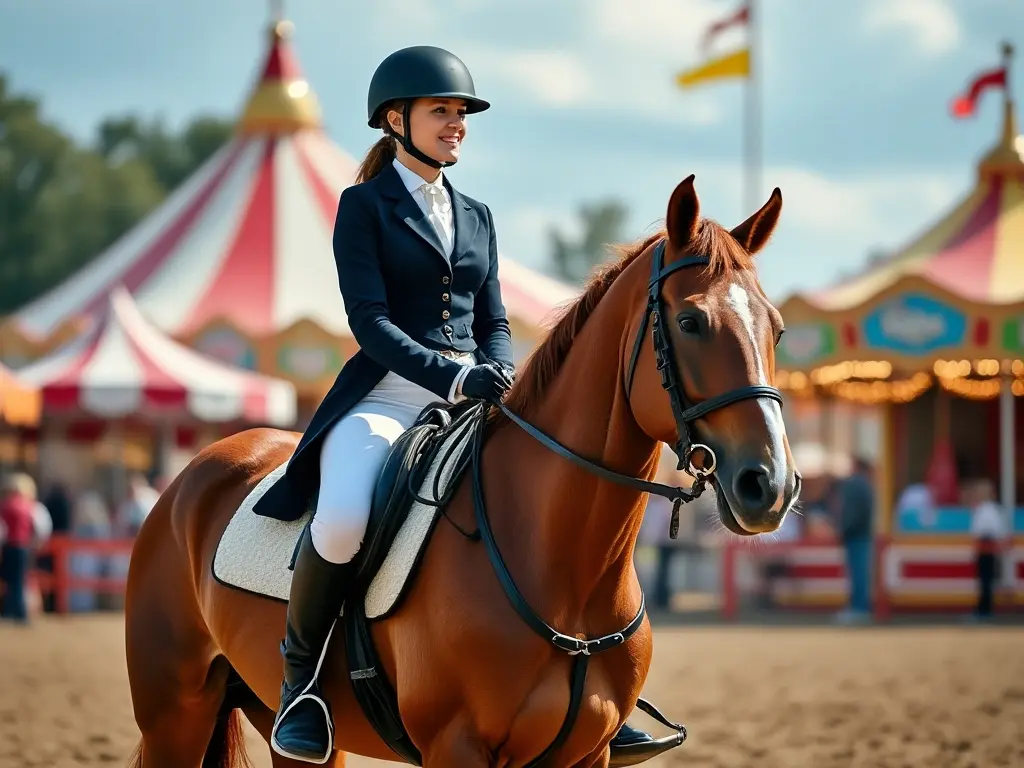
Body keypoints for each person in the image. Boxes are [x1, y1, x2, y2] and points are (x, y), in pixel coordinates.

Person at [267, 45, 657, 764]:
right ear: (395, 119)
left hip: (479, 396)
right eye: (442, 111)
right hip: (388, 397)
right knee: (347, 512)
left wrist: (501, 372)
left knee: (554, 498)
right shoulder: (364, 207)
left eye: (461, 114)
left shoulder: (476, 213)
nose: (457, 125)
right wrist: (450, 379)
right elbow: (370, 322)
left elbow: (496, 319)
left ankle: (592, 685)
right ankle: (302, 687)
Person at [835, 457, 875, 624]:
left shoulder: (853, 485)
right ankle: (861, 607)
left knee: (857, 573)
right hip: (864, 534)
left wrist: (843, 531)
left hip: (854, 535)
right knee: (862, 573)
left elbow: (850, 512)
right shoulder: (867, 485)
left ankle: (858, 608)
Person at [967, 478, 1006, 620]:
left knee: (986, 581)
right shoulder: (986, 509)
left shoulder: (988, 510)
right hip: (985, 549)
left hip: (987, 549)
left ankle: (985, 610)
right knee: (985, 581)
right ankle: (983, 608)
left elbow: (991, 531)